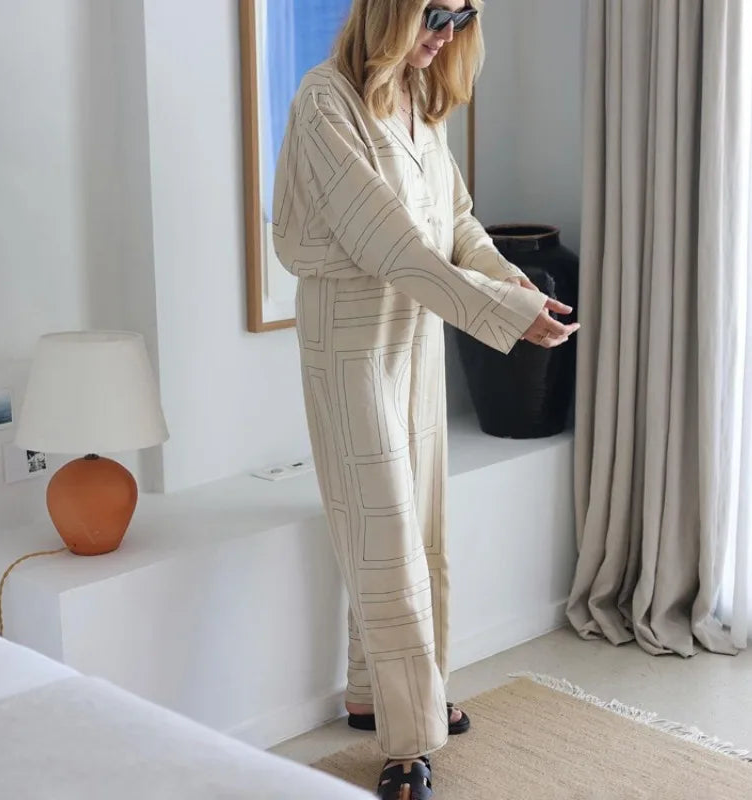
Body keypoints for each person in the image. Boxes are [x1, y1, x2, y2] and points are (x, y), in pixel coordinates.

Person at [273, 1, 580, 797]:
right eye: (434, 16)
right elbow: (390, 243)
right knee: (383, 533)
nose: (446, 37)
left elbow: (457, 223)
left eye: (462, 18)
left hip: (416, 330)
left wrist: (514, 283)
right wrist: (501, 312)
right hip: (350, 335)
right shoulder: (324, 101)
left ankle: (376, 693)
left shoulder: (416, 99)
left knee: (421, 523)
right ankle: (408, 744)